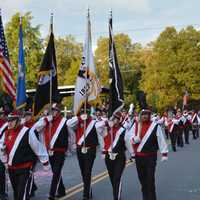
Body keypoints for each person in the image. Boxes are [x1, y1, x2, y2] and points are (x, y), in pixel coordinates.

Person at [0, 111, 50, 200]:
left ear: (18, 120)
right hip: (12, 168)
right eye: (8, 120)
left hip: (25, 168)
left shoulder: (27, 132)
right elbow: (1, 148)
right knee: (16, 193)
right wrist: (4, 160)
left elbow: (37, 147)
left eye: (12, 120)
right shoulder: (6, 133)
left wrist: (45, 162)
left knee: (22, 194)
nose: (9, 123)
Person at [128, 109, 168, 200]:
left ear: (149, 115)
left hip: (150, 157)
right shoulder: (135, 125)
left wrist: (164, 153)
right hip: (139, 157)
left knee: (150, 180)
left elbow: (161, 139)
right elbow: (129, 137)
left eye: (147, 114)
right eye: (143, 114)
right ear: (140, 116)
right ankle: (145, 197)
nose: (144, 116)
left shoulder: (155, 126)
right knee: (142, 180)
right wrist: (135, 139)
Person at [96, 112, 133, 200]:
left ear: (119, 120)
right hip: (108, 157)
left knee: (116, 177)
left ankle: (116, 197)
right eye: (113, 118)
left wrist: (133, 155)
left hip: (119, 157)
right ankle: (117, 189)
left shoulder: (123, 130)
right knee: (112, 177)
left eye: (116, 119)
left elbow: (128, 143)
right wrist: (106, 122)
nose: (114, 120)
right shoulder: (106, 129)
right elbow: (97, 127)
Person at [67, 105, 100, 200]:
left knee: (87, 171)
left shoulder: (94, 122)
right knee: (83, 171)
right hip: (80, 149)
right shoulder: (77, 121)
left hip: (90, 150)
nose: (84, 114)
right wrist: (78, 118)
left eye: (86, 112)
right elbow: (68, 124)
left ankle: (86, 194)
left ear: (89, 113)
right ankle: (88, 189)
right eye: (82, 112)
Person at [42, 103, 68, 200]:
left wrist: (69, 149)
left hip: (60, 150)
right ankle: (61, 190)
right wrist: (45, 118)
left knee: (56, 171)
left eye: (55, 110)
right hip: (50, 151)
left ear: (59, 111)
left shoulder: (64, 121)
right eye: (52, 110)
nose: (53, 112)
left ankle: (51, 194)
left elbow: (71, 135)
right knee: (55, 172)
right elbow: (37, 127)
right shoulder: (48, 121)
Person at [0, 108, 8, 200]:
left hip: (2, 151)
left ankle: (3, 192)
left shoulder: (6, 125)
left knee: (1, 173)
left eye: (2, 113)